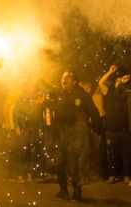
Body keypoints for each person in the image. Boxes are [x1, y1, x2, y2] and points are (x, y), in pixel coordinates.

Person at [54, 71, 102, 201]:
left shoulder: (82, 95)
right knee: (59, 162)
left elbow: (94, 113)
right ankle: (63, 190)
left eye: (67, 77)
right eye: (62, 77)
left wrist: (99, 130)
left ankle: (77, 192)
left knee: (74, 165)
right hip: (62, 135)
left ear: (74, 81)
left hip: (77, 136)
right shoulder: (60, 95)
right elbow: (56, 116)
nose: (64, 79)